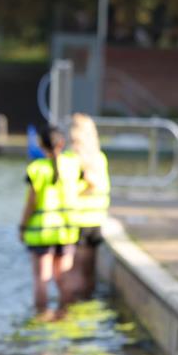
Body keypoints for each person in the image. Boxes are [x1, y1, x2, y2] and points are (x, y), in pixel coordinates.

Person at [19, 125, 80, 321]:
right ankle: (65, 315)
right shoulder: (72, 165)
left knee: (41, 279)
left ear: (40, 144)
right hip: (66, 231)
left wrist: (22, 226)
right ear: (62, 143)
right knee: (63, 277)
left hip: (41, 232)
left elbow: (31, 202)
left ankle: (42, 317)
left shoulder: (36, 169)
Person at [68, 113, 110, 300]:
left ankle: (73, 306)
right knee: (89, 272)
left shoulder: (71, 159)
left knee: (74, 272)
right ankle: (87, 302)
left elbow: (69, 191)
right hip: (96, 221)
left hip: (77, 222)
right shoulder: (100, 158)